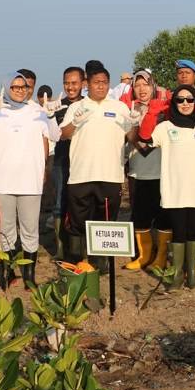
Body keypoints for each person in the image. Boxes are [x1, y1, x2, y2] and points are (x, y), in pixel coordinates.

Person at [138, 85, 195, 291]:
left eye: (190, 99)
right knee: (178, 232)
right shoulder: (166, 126)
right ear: (174, 103)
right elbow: (144, 137)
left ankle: (193, 276)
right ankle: (177, 276)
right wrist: (152, 113)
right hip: (175, 191)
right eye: (180, 100)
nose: (185, 103)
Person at [0, 72, 50, 287]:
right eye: (15, 87)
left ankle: (29, 277)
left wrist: (51, 116)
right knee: (5, 231)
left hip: (30, 183)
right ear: (7, 88)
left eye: (23, 87)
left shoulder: (37, 112)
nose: (19, 90)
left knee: (30, 230)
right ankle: (7, 274)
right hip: (2, 183)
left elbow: (53, 135)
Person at [59, 63, 141, 262]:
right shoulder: (76, 107)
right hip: (80, 175)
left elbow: (131, 138)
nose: (101, 86)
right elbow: (62, 135)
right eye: (97, 83)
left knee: (104, 221)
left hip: (110, 175)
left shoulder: (119, 107)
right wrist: (75, 122)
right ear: (87, 84)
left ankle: (100, 262)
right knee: (77, 222)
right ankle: (77, 261)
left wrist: (134, 124)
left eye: (104, 83)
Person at [123, 70, 167, 271]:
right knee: (140, 214)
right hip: (138, 170)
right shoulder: (128, 109)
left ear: (153, 85)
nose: (142, 89)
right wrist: (131, 128)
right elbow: (127, 136)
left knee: (163, 216)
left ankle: (161, 256)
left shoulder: (165, 109)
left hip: (162, 170)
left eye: (146, 84)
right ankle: (143, 255)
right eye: (137, 85)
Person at [43, 66, 85, 256]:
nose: (70, 87)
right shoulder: (56, 105)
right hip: (61, 160)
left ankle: (82, 247)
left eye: (74, 83)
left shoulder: (89, 104)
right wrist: (49, 115)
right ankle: (60, 248)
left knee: (82, 203)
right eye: (66, 83)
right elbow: (51, 134)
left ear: (83, 84)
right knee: (59, 201)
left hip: (84, 162)